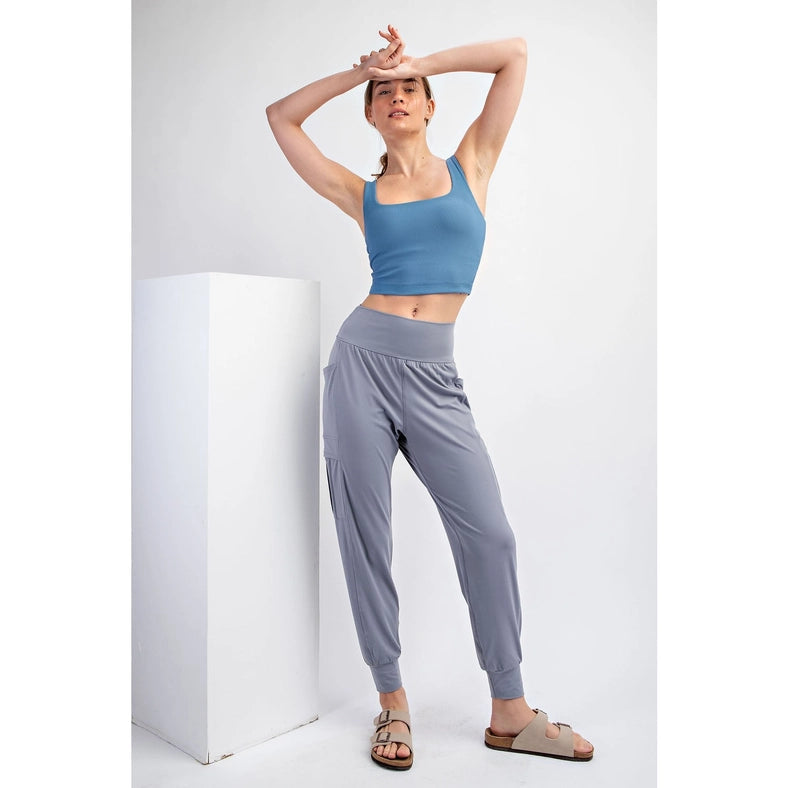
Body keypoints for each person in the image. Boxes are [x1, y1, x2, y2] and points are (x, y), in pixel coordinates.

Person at [266, 25, 593, 771]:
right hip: (362, 363)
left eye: (409, 88)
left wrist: (419, 60)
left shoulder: (471, 163)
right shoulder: (362, 193)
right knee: (366, 536)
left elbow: (514, 54)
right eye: (385, 93)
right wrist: (358, 74)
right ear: (371, 112)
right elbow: (281, 118)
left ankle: (509, 710)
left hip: (435, 375)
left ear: (430, 103)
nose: (398, 96)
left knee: (491, 534)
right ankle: (391, 701)